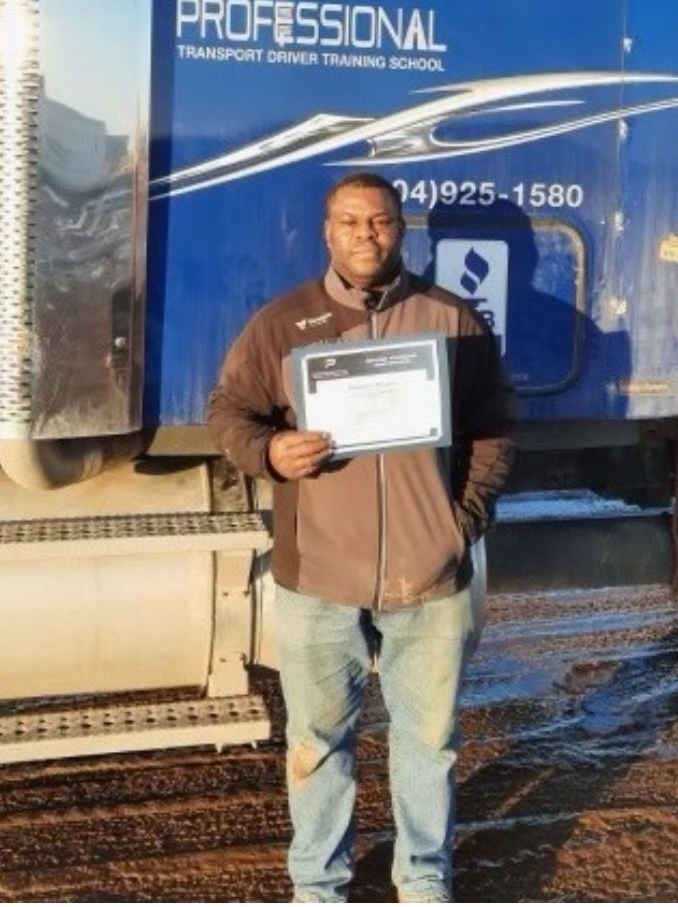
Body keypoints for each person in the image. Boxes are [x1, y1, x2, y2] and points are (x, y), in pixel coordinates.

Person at [208, 171, 514, 904]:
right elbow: (230, 412)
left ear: (400, 229)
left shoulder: (451, 318)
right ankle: (317, 885)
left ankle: (424, 876)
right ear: (327, 231)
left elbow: (494, 430)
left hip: (430, 577)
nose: (365, 235)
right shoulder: (282, 323)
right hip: (318, 578)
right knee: (316, 746)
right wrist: (271, 453)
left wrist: (458, 525)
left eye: (378, 221)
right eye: (350, 222)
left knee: (429, 743)